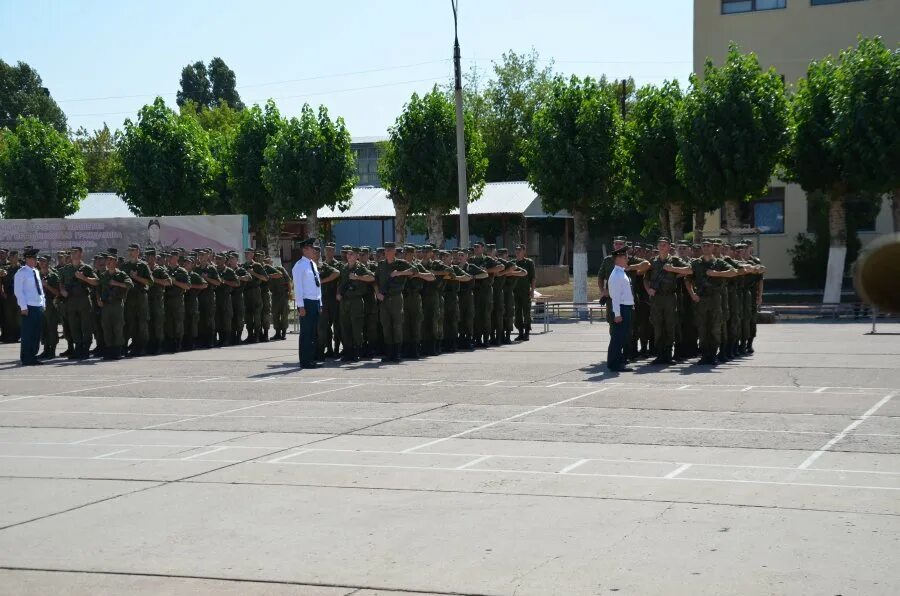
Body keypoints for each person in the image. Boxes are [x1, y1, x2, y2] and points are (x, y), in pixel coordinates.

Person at [374, 241, 414, 363]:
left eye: (390, 250)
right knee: (386, 325)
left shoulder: (400, 263)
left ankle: (397, 353)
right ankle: (389, 353)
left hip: (396, 297)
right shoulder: (381, 265)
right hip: (384, 299)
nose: (387, 252)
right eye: (386, 250)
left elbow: (414, 270)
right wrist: (377, 293)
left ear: (394, 251)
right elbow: (375, 280)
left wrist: (399, 273)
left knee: (397, 325)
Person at [336, 247, 375, 362]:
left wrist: (357, 277)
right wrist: (338, 293)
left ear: (357, 256)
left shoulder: (361, 268)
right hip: (344, 301)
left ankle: (357, 351)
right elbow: (340, 283)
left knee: (356, 328)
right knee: (345, 327)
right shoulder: (343, 268)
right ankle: (348, 351)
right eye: (348, 254)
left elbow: (372, 277)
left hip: (356, 301)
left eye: (352, 254)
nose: (349, 256)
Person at [292, 238, 323, 369]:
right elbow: (298, 287)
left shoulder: (313, 264)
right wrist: (300, 306)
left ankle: (311, 359)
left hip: (315, 301)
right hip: (306, 302)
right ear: (305, 249)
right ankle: (305, 361)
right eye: (311, 248)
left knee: (313, 333)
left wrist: (320, 302)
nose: (314, 251)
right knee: (306, 333)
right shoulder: (299, 266)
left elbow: (317, 285)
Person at [14, 248, 46, 366]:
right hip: (28, 306)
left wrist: (43, 303)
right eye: (33, 258)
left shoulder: (35, 271)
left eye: (36, 258)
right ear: (27, 259)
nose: (36, 260)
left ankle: (33, 356)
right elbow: (18, 291)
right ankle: (26, 357)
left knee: (36, 333)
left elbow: (40, 289)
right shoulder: (21, 273)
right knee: (28, 333)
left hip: (38, 305)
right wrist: (23, 307)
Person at [606, 247, 634, 373]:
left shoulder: (621, 272)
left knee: (622, 337)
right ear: (617, 259)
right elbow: (615, 297)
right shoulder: (617, 275)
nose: (627, 259)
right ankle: (614, 363)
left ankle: (618, 360)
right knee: (617, 337)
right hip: (621, 309)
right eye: (624, 257)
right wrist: (617, 314)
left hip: (625, 308)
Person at [513, 244, 535, 342]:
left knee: (526, 312)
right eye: (516, 250)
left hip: (525, 291)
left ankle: (526, 333)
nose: (517, 251)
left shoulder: (529, 262)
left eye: (519, 250)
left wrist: (532, 290)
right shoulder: (513, 263)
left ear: (524, 251)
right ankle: (520, 332)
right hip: (515, 291)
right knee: (517, 313)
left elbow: (533, 278)